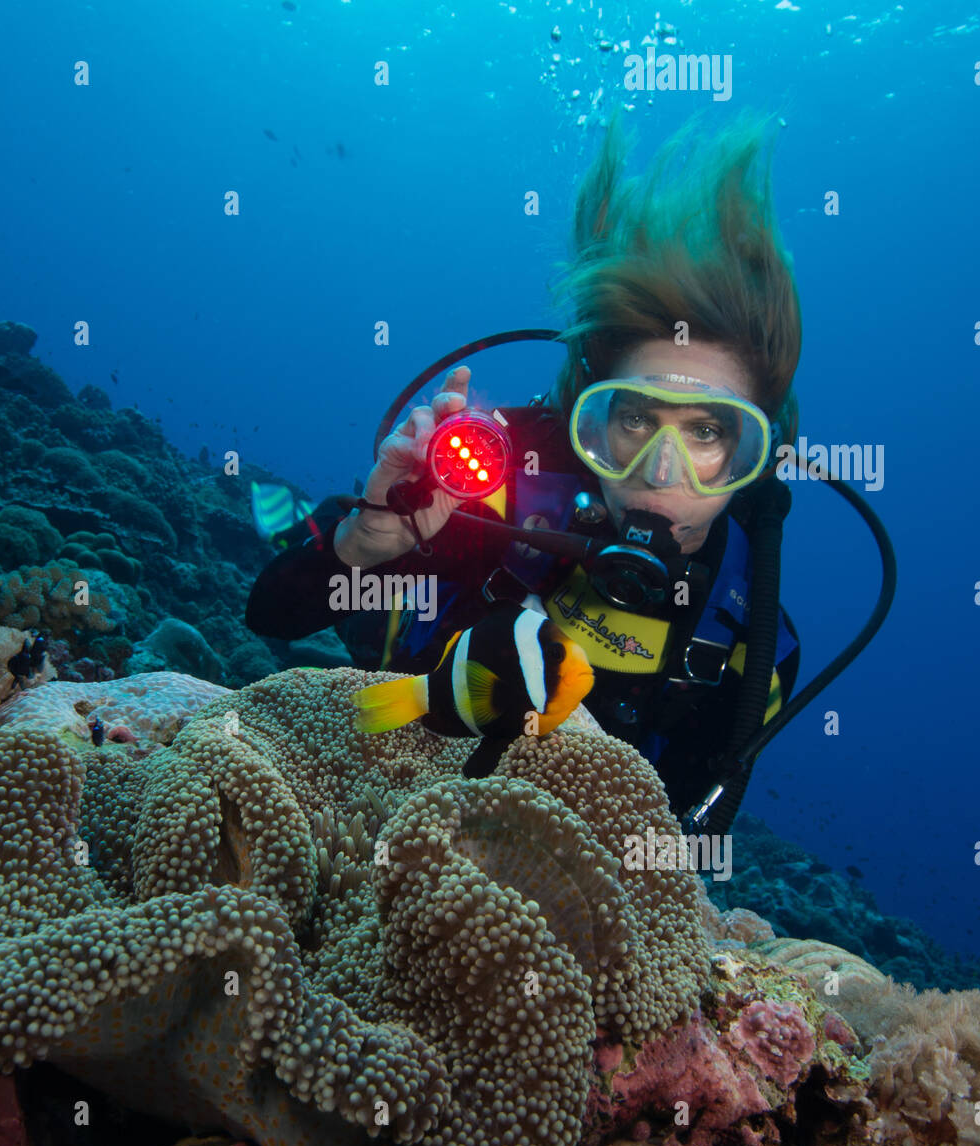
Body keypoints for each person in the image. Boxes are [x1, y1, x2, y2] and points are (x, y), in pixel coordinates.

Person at [246, 115, 802, 822]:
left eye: (707, 432)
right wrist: (358, 549)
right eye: (633, 419)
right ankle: (272, 510)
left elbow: (686, 841)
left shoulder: (749, 642)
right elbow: (269, 613)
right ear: (587, 419)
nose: (661, 471)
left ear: (756, 456)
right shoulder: (500, 502)